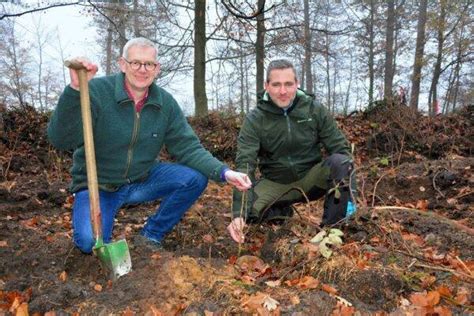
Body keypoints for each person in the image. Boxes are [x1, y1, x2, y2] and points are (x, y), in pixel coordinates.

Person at [48, 37, 251, 253]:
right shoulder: (95, 92)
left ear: (157, 69)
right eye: (135, 62)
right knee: (90, 243)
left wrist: (225, 172)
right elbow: (59, 139)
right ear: (122, 64)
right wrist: (75, 90)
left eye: (149, 64)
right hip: (98, 186)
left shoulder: (165, 103)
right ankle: (101, 224)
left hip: (141, 180)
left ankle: (151, 234)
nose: (142, 69)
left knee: (193, 179)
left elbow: (188, 147)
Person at [227, 59, 356, 243]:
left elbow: (342, 150)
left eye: (288, 84)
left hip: (311, 179)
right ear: (266, 86)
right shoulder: (255, 119)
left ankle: (331, 232)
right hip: (276, 183)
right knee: (250, 213)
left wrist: (351, 201)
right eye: (276, 84)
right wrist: (238, 214)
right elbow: (244, 164)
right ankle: (281, 211)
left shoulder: (314, 110)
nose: (282, 91)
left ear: (297, 84)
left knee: (341, 162)